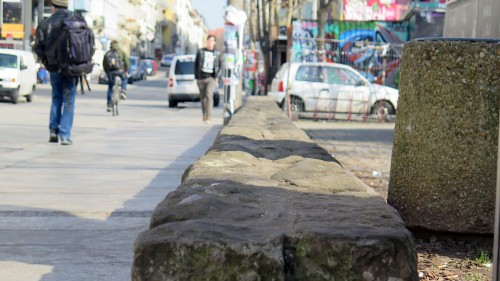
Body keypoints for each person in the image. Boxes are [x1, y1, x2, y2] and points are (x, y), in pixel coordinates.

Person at [33, 0, 80, 145]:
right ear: (67, 6)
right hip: (72, 68)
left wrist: (47, 61)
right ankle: (65, 135)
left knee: (56, 98)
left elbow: (38, 46)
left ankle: (53, 131)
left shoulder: (47, 23)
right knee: (69, 100)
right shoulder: (77, 21)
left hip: (55, 67)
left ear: (53, 7)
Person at [194, 34, 219, 123]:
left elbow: (219, 66)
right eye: (209, 40)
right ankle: (204, 114)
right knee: (203, 98)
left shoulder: (217, 53)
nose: (210, 42)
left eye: (212, 40)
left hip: (211, 78)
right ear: (207, 41)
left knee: (209, 94)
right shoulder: (200, 51)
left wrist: (216, 77)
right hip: (201, 78)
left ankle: (209, 116)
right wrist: (196, 77)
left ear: (214, 42)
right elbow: (196, 64)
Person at [103, 40, 129, 112]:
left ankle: (109, 104)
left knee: (110, 87)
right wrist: (125, 70)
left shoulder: (107, 53)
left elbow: (104, 65)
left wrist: (107, 73)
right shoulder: (121, 52)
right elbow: (127, 62)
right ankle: (123, 91)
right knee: (125, 79)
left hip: (111, 73)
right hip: (120, 71)